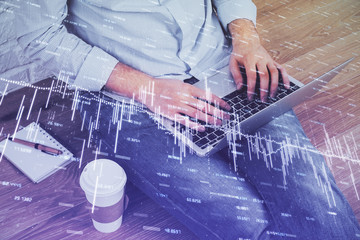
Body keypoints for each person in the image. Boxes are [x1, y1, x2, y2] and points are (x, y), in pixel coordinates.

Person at [12, 0, 360, 239]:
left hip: (222, 65)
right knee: (243, 221)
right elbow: (36, 37)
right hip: (124, 93)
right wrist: (147, 88)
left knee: (314, 198)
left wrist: (247, 38)